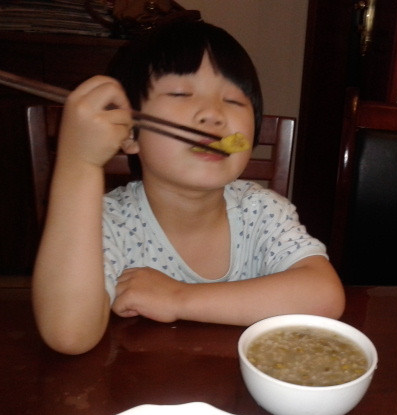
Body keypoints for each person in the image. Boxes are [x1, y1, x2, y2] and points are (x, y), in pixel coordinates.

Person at [32, 14, 345, 355]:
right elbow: (69, 334)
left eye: (233, 100)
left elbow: (324, 297)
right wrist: (80, 162)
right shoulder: (108, 222)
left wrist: (178, 298)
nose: (213, 114)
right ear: (130, 133)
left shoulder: (262, 211)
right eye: (181, 93)